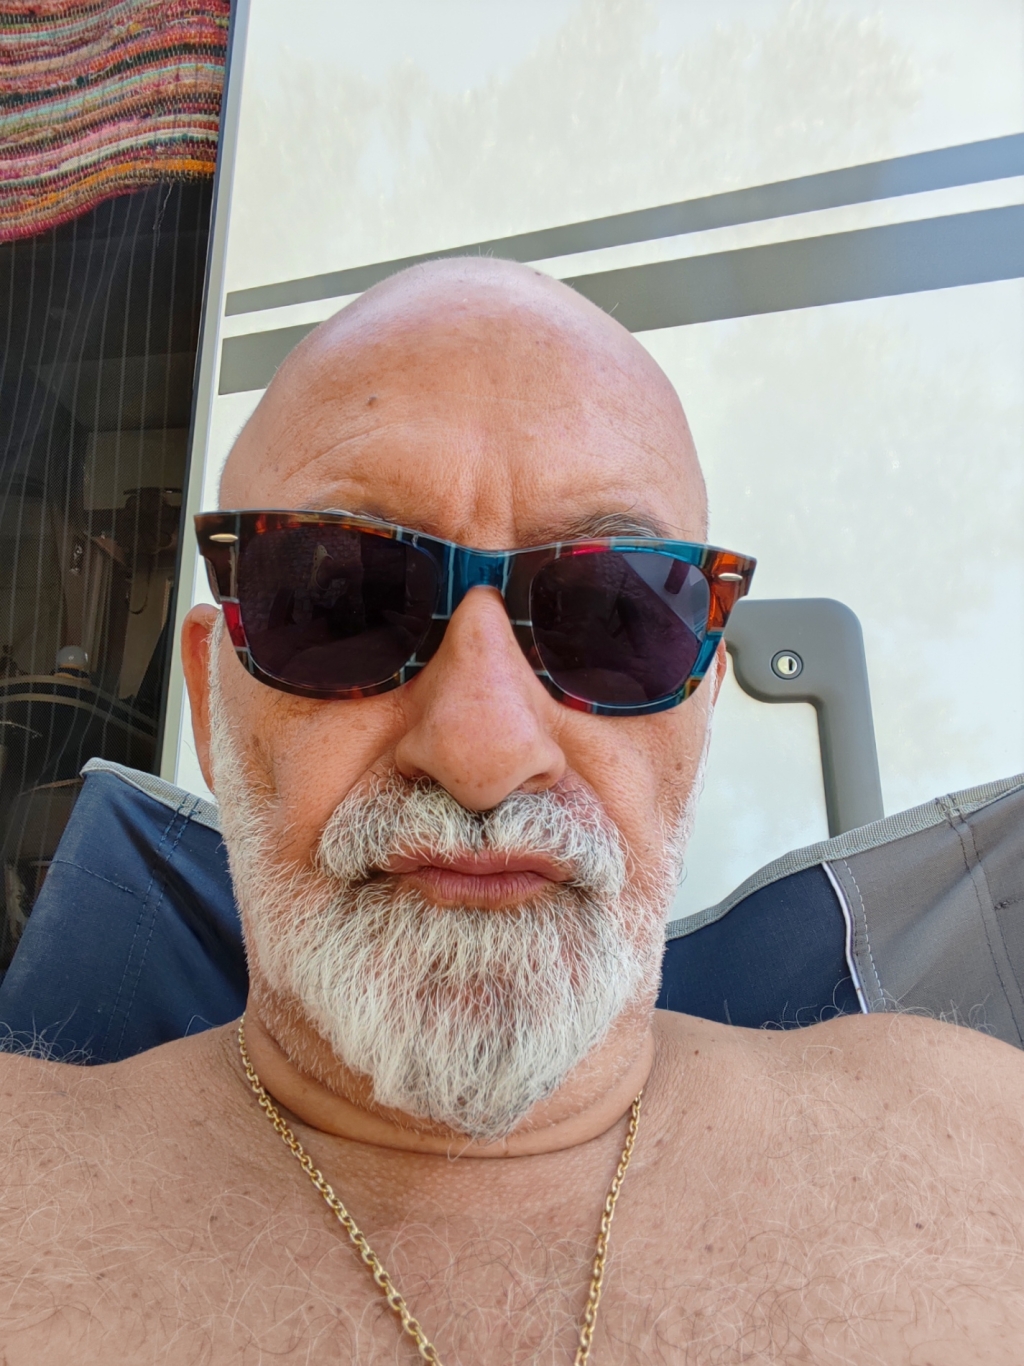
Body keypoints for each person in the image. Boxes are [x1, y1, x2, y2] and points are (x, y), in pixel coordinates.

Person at [2, 258, 1022, 1366]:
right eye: (342, 600)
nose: (483, 752)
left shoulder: (980, 1150)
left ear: (701, 710)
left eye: (612, 616)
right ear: (210, 702)